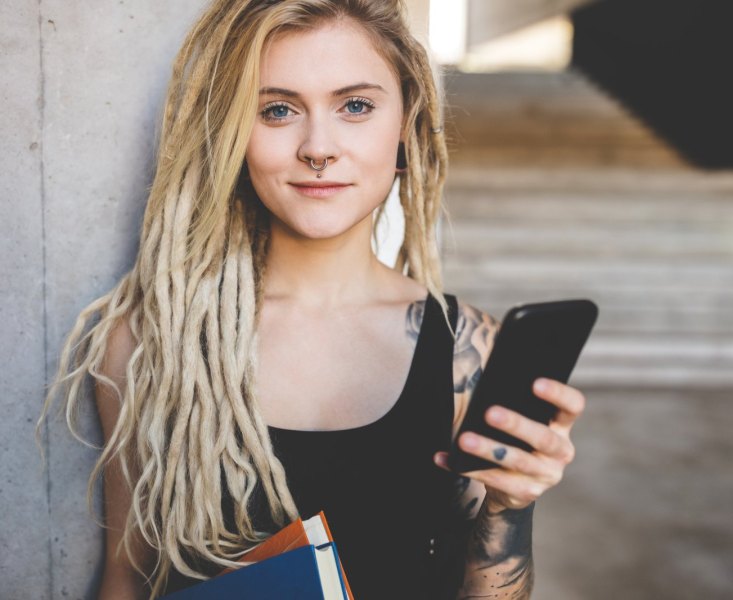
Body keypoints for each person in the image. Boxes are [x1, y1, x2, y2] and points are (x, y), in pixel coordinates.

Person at [38, 1, 585, 598]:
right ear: (233, 134)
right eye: (277, 110)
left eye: (355, 106)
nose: (318, 147)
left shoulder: (467, 353)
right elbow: (128, 575)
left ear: (405, 122)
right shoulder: (151, 341)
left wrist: (511, 508)